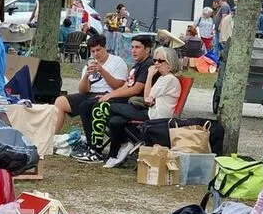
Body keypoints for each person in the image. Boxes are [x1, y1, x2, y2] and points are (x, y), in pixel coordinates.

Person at [73, 35, 154, 163]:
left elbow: (136, 90)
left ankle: (96, 151)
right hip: (127, 100)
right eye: (132, 47)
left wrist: (111, 95)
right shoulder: (138, 65)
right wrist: (109, 95)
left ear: (147, 49)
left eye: (138, 47)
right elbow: (126, 86)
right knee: (85, 106)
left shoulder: (148, 65)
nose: (133, 50)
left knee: (99, 107)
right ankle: (92, 146)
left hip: (137, 104)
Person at [104, 47, 182, 168]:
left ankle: (121, 147)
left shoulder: (169, 80)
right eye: (155, 60)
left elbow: (146, 98)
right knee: (116, 121)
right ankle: (119, 150)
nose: (156, 63)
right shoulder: (163, 78)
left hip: (156, 117)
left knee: (111, 107)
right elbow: (148, 100)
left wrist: (149, 75)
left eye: (160, 61)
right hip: (150, 111)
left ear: (169, 63)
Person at [54, 34, 128, 135]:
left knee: (86, 105)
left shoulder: (117, 62)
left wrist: (102, 70)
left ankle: (91, 143)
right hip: (90, 94)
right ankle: (52, 138)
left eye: (98, 50)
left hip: (108, 95)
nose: (96, 54)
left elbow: (119, 86)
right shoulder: (90, 64)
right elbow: (82, 91)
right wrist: (86, 76)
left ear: (105, 47)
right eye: (93, 51)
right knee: (60, 101)